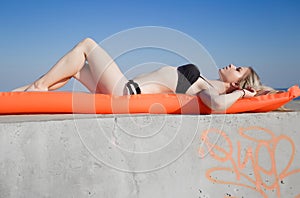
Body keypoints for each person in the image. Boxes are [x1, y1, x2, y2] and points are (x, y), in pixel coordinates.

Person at [12, 38, 272, 111]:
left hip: (126, 91)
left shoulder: (214, 91)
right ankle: (19, 95)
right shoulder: (211, 82)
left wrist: (240, 94)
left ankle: (37, 87)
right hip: (124, 88)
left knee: (87, 45)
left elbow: (215, 106)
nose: (232, 64)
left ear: (238, 82)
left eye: (238, 69)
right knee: (77, 69)